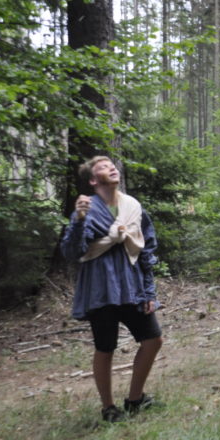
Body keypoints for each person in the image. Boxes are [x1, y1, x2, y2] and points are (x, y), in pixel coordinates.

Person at [61, 156, 163, 423]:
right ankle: (108, 407)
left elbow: (146, 247)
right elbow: (72, 252)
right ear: (93, 180)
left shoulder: (132, 206)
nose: (112, 168)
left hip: (132, 286)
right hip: (100, 288)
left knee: (153, 340)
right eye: (104, 168)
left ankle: (135, 399)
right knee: (105, 348)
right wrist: (79, 220)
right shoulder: (87, 209)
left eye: (112, 165)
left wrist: (149, 292)